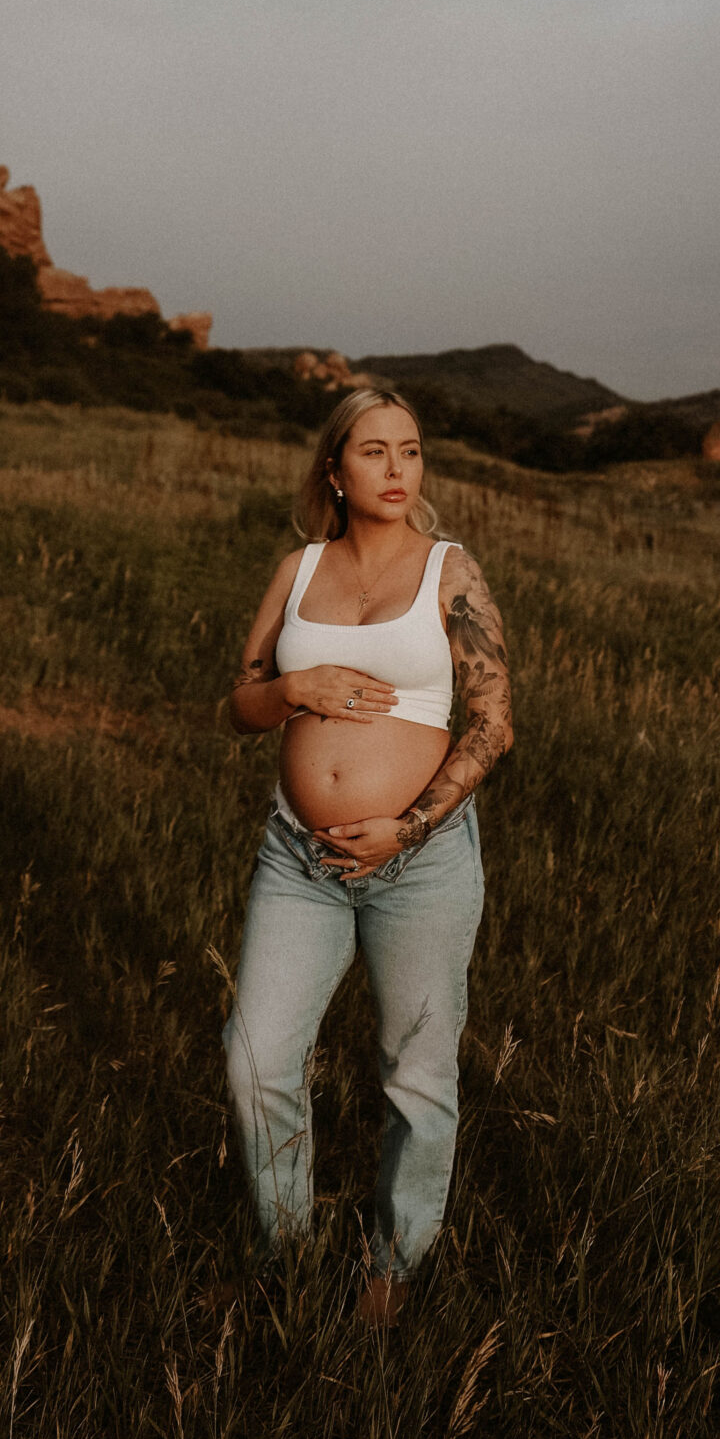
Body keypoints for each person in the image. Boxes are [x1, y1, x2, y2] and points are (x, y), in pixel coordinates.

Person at [222, 388, 513, 1323]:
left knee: (415, 1072)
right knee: (255, 1058)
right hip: (296, 860)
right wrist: (293, 686)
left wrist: (410, 827)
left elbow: (494, 726)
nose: (397, 471)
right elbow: (243, 701)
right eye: (375, 452)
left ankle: (394, 1265)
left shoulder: (450, 572)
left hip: (416, 863)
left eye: (412, 452)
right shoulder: (297, 569)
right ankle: (289, 1252)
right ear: (334, 471)